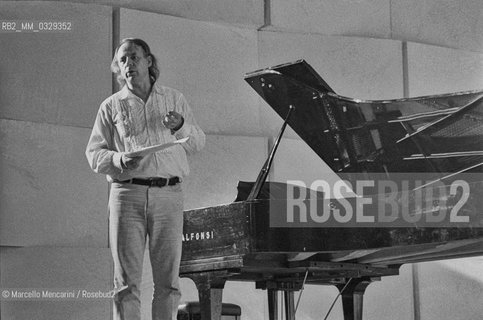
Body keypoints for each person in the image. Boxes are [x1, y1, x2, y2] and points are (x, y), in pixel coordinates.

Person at [85, 38, 205, 320]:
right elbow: (93, 153)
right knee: (125, 285)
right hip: (127, 194)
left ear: (148, 61)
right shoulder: (111, 105)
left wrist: (180, 126)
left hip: (169, 194)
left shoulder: (174, 99)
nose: (128, 65)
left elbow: (197, 143)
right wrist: (117, 159)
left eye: (133, 57)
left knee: (169, 283)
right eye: (122, 60)